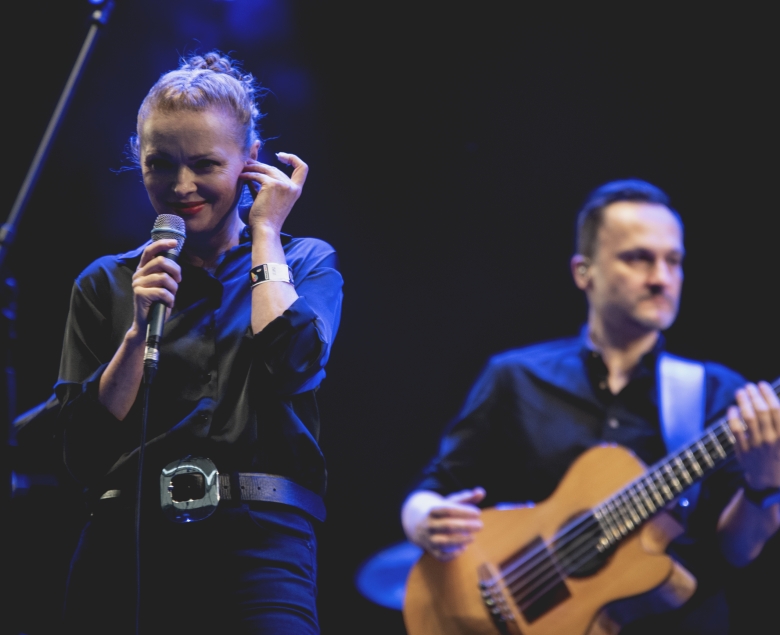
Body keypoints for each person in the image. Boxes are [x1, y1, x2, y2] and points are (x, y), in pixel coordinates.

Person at [401, 179, 780, 634]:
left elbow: (737, 551)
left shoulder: (720, 392)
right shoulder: (515, 377)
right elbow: (433, 489)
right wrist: (423, 519)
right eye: (638, 258)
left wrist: (764, 486)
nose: (661, 277)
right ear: (585, 272)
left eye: (673, 261)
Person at [55, 52, 342, 634]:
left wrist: (266, 233)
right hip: (125, 543)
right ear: (139, 162)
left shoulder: (305, 262)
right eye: (161, 164)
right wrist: (137, 332)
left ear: (250, 162)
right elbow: (80, 452)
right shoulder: (107, 282)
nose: (182, 186)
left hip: (261, 547)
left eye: (205, 164)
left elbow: (292, 365)